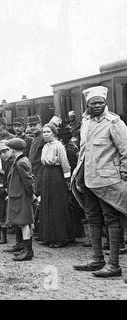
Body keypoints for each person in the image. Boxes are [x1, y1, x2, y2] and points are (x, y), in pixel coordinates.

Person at [72, 86, 127, 279]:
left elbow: (126, 151)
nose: (97, 106)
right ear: (87, 104)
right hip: (89, 180)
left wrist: (123, 173)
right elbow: (83, 152)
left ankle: (113, 265)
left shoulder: (114, 123)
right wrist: (79, 177)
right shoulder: (85, 122)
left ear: (105, 103)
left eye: (100, 103)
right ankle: (97, 259)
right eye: (93, 103)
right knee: (93, 219)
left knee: (111, 220)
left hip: (108, 181)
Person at [39, 124, 73, 248]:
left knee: (57, 206)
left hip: (56, 176)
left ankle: (60, 238)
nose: (46, 134)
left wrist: (67, 180)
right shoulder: (44, 147)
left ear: (54, 133)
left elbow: (65, 164)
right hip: (46, 175)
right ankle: (48, 237)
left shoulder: (59, 146)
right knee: (47, 205)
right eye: (44, 132)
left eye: (48, 132)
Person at [5, 138, 36, 261]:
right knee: (24, 223)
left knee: (24, 224)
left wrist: (31, 195)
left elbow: (28, 181)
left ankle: (28, 251)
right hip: (20, 195)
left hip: (21, 196)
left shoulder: (20, 162)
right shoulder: (21, 160)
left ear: (13, 150)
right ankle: (26, 248)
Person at [26, 115, 46, 240]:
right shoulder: (35, 138)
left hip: (41, 173)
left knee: (39, 201)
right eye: (30, 125)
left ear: (40, 124)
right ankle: (38, 229)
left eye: (34, 125)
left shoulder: (43, 138)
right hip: (34, 173)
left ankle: (41, 230)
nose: (32, 127)